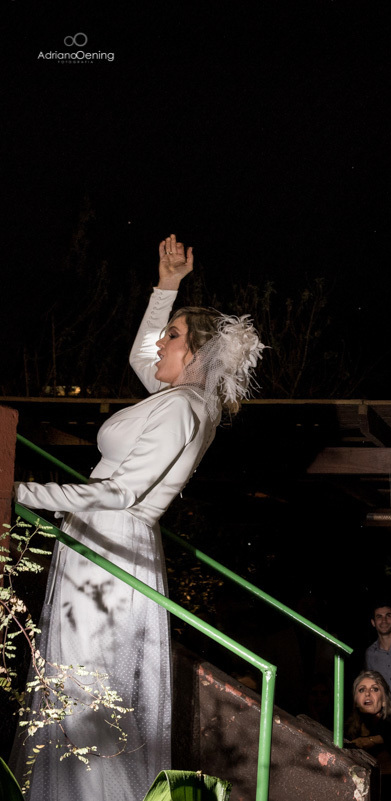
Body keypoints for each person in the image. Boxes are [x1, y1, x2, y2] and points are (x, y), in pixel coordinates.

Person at [11, 235, 264, 800]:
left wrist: (26, 491)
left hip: (110, 543)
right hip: (102, 542)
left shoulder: (181, 407)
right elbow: (140, 357)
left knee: (88, 691)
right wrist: (167, 286)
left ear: (195, 354)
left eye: (173, 336)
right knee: (78, 685)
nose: (162, 344)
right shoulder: (181, 399)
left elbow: (120, 492)